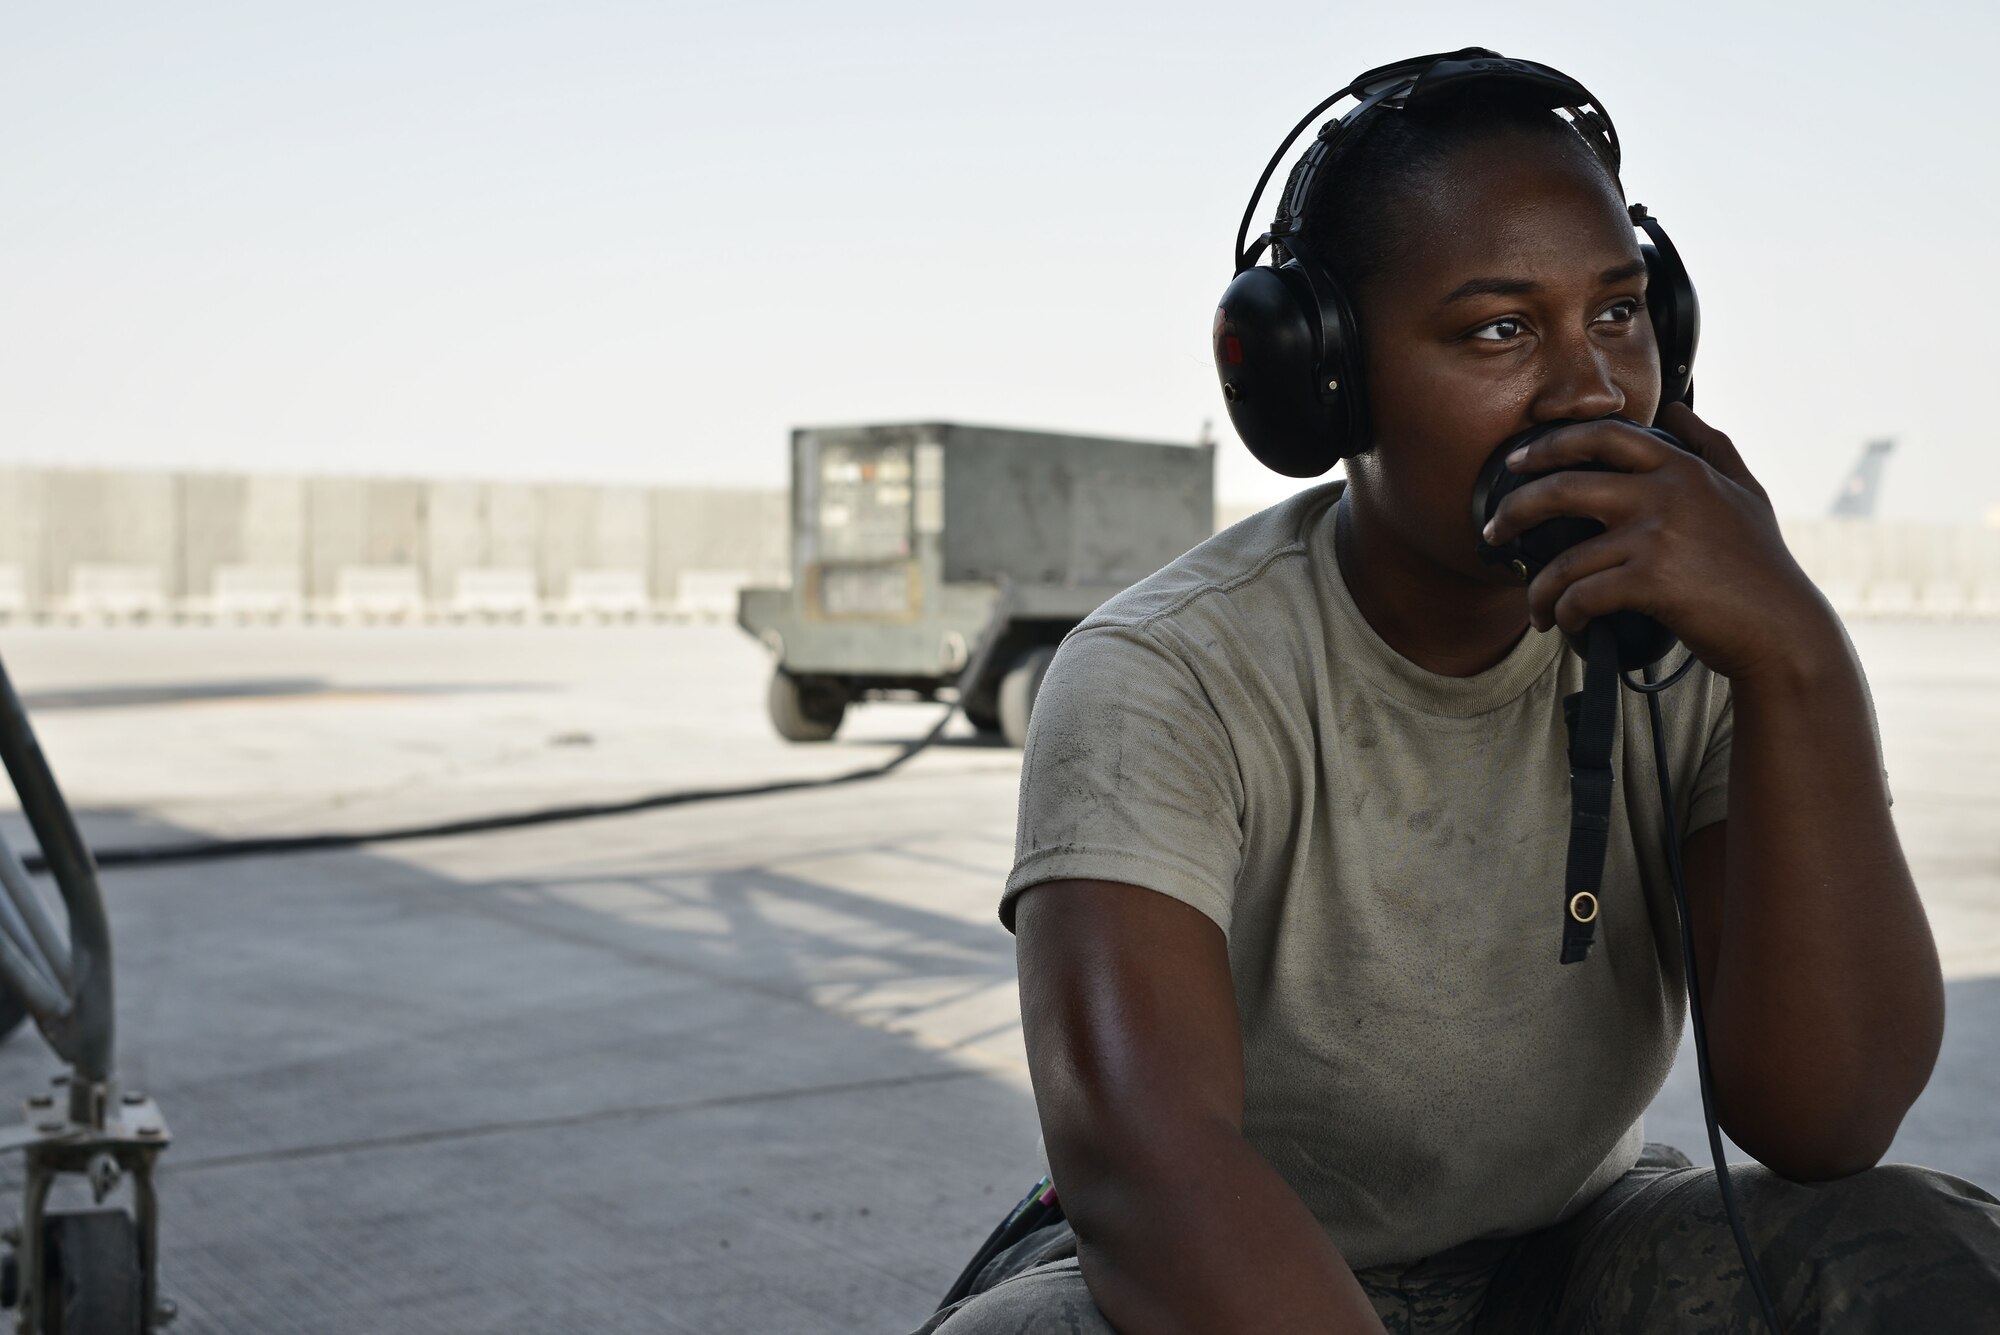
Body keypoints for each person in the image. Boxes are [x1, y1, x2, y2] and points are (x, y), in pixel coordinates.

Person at [914, 52, 2000, 1335]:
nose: (1591, 387)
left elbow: (1822, 1119)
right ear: (1324, 377)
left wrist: (1796, 659)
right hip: (1243, 1275)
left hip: (1567, 1249)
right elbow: (1149, 1175)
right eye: (1496, 329)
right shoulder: (1165, 673)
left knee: (1906, 1251)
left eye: (1618, 312)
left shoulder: (1701, 646)